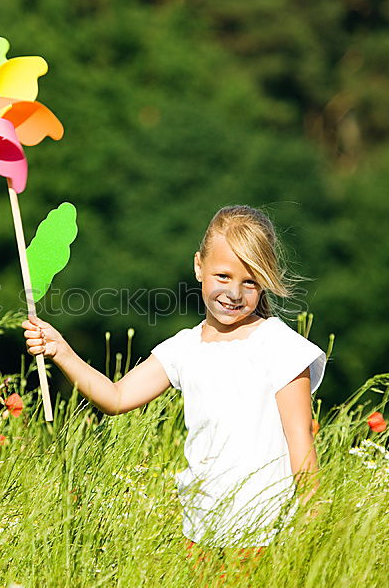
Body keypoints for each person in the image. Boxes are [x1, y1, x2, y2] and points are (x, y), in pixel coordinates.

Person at [22, 205, 326, 552]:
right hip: (202, 530)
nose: (234, 293)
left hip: (266, 531)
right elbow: (116, 398)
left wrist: (310, 517)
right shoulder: (184, 348)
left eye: (250, 282)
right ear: (199, 266)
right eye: (223, 277)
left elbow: (300, 439)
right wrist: (60, 350)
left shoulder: (279, 345)